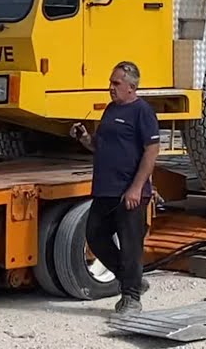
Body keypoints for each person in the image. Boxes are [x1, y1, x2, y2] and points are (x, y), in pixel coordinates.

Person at [70, 60, 161, 315]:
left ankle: (131, 298)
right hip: (104, 190)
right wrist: (85, 138)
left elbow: (151, 151)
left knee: (131, 245)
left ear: (131, 86)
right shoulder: (110, 110)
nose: (111, 87)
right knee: (95, 236)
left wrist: (136, 188)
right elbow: (99, 145)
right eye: (111, 82)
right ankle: (133, 281)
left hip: (129, 193)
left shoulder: (143, 112)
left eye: (116, 83)